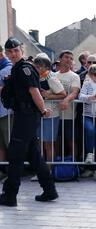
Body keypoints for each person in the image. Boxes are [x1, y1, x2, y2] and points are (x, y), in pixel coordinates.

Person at [0, 38, 58, 207]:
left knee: (16, 155)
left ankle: (10, 195)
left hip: (27, 116)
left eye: (15, 50)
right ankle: (49, 190)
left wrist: (43, 110)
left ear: (22, 50)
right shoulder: (17, 68)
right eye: (9, 51)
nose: (13, 54)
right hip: (23, 115)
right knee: (33, 155)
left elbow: (35, 92)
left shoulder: (25, 68)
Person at [0, 44, 13, 181]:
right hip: (1, 111)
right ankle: (3, 170)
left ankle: (12, 172)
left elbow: (7, 89)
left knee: (10, 142)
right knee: (1, 144)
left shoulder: (8, 68)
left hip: (7, 111)